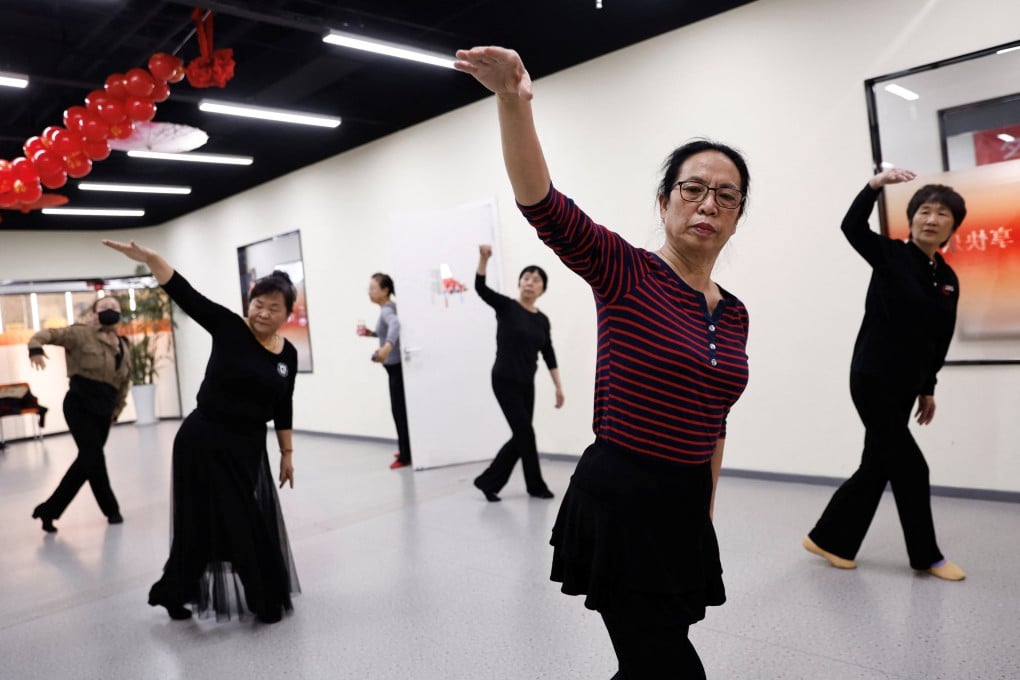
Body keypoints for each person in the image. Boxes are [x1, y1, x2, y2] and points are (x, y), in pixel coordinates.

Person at [455, 47, 751, 679]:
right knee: (667, 665)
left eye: (725, 196)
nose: (707, 204)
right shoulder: (626, 271)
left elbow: (716, 416)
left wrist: (705, 507)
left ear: (737, 217)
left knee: (651, 652)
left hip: (684, 503)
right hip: (622, 497)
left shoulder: (735, 313)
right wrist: (511, 101)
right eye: (692, 189)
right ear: (666, 201)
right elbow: (543, 204)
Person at [102, 239, 301, 623]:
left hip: (246, 446)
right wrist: (152, 260)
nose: (262, 313)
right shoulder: (229, 326)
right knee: (217, 519)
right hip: (204, 439)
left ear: (287, 314)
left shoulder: (287, 354)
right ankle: (261, 598)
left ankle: (174, 591)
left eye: (273, 308)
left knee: (230, 518)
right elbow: (186, 294)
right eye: (258, 304)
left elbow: (283, 404)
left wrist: (287, 453)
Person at [803, 168, 966, 582]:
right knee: (912, 468)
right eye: (924, 211)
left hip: (907, 387)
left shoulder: (947, 279)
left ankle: (830, 539)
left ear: (953, 225)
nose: (931, 219)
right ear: (911, 219)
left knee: (877, 466)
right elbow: (851, 226)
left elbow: (939, 338)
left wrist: (928, 388)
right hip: (873, 378)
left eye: (942, 214)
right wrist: (874, 186)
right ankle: (926, 556)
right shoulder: (890, 255)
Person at [29, 296, 132, 533]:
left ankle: (48, 510)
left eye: (115, 308)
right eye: (105, 307)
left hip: (104, 411)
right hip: (79, 405)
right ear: (95, 312)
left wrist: (116, 412)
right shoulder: (80, 334)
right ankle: (112, 510)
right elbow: (49, 334)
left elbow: (123, 383)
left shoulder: (124, 345)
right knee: (94, 459)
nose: (110, 311)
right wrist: (35, 347)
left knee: (85, 464)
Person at [473, 244, 563, 502]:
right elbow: (480, 288)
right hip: (503, 380)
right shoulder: (506, 306)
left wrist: (558, 387)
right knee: (526, 434)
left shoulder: (542, 320)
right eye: (526, 278)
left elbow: (549, 354)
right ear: (519, 283)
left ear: (542, 289)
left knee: (522, 435)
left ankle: (497, 482)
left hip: (527, 383)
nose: (530, 282)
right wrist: (483, 259)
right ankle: (521, 484)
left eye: (536, 280)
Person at [357, 273, 411, 469]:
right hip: (394, 369)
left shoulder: (388, 309)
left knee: (399, 412)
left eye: (373, 288)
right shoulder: (387, 309)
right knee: (400, 411)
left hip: (395, 368)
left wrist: (387, 347)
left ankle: (405, 456)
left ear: (385, 290)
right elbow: (388, 329)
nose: (369, 292)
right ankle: (406, 448)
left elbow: (395, 325)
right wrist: (372, 334)